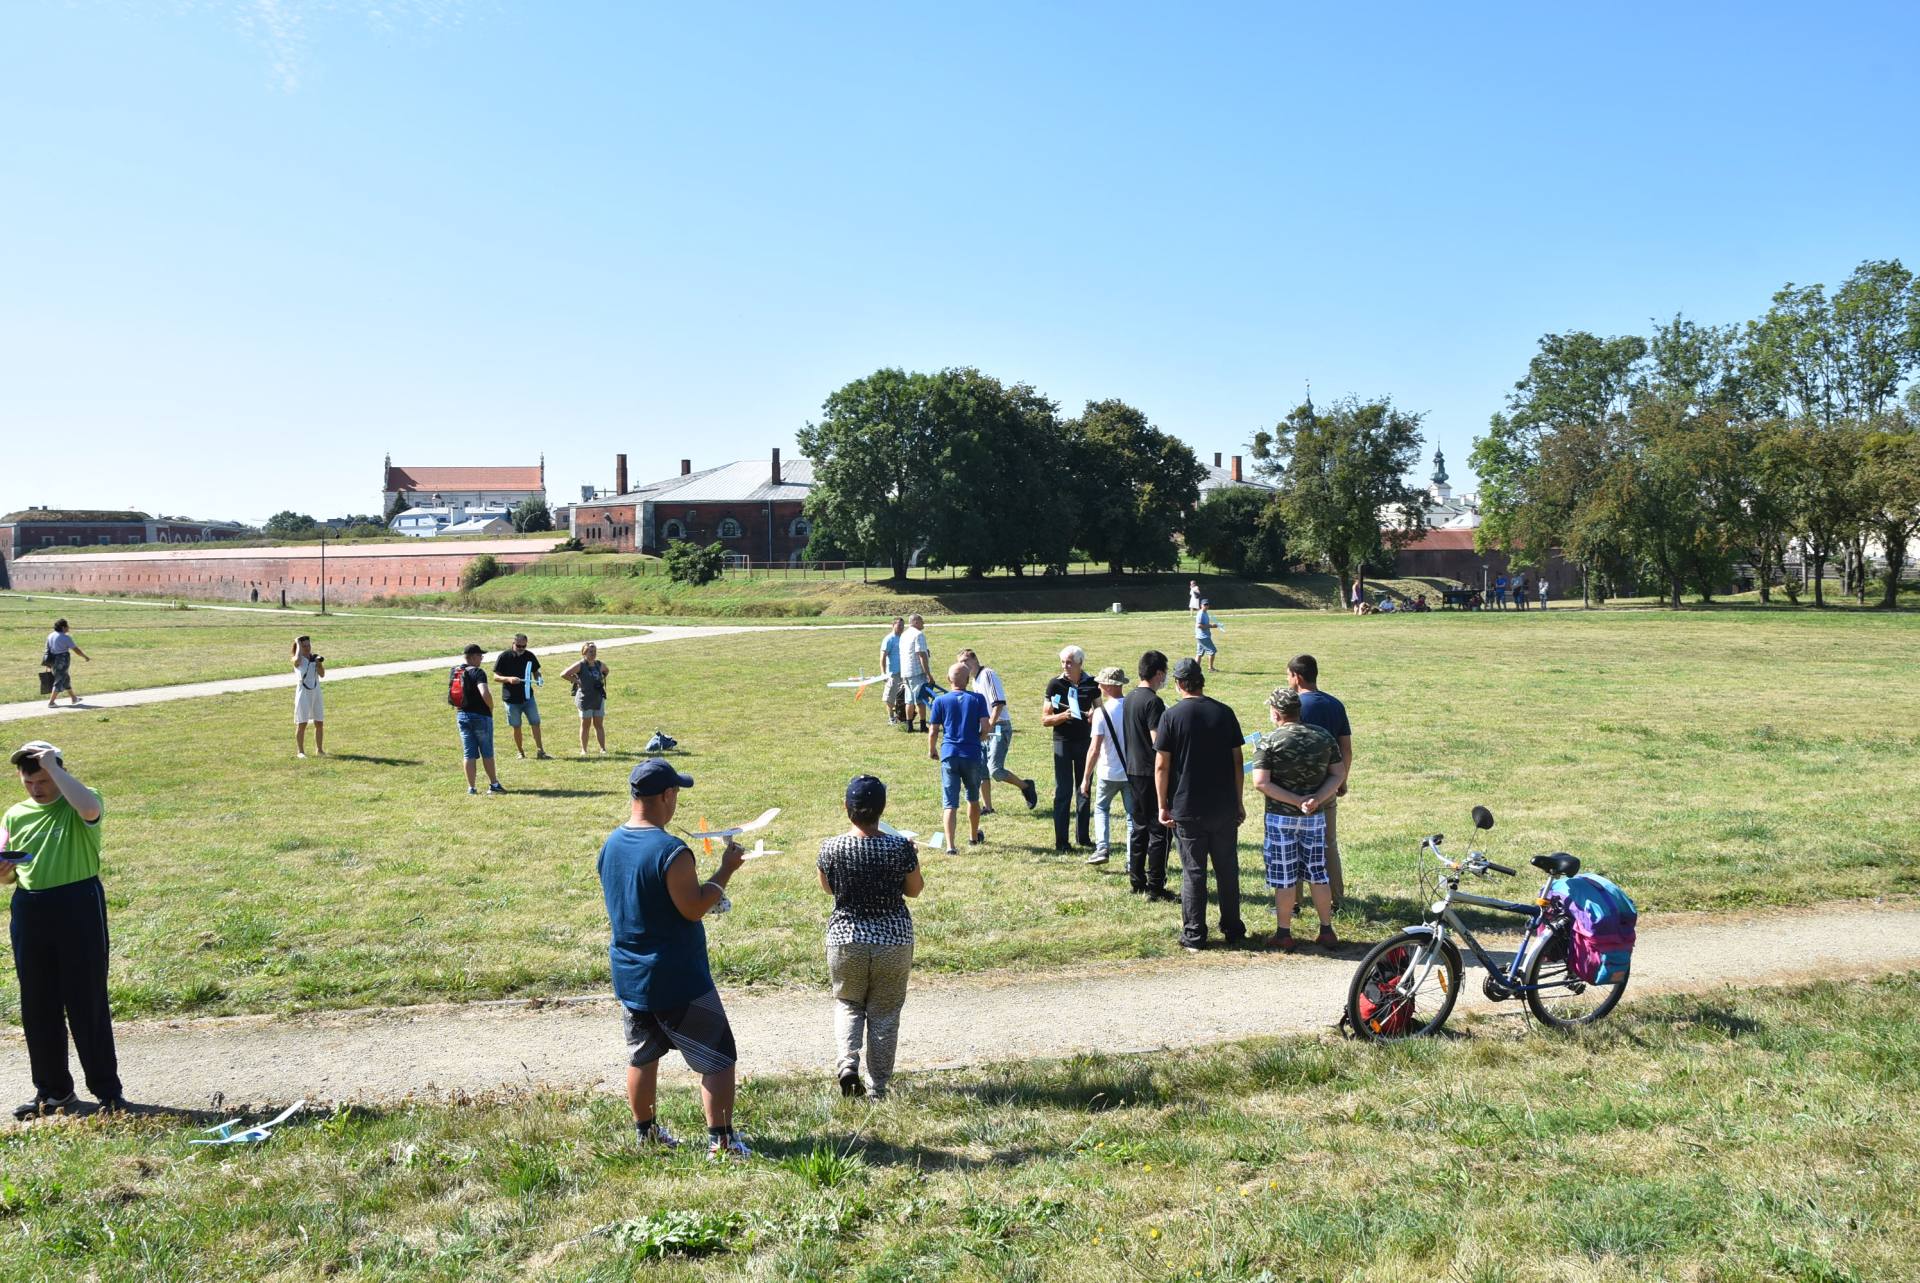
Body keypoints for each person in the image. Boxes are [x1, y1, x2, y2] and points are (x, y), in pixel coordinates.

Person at [598, 758, 752, 1158]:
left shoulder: (611, 844)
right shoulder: (672, 851)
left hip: (631, 975)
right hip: (676, 976)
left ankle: (645, 1134)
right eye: (677, 793)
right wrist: (725, 871)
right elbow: (693, 907)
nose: (677, 801)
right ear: (666, 796)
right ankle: (722, 1142)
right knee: (718, 1057)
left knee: (643, 1057)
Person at [3, 741, 124, 1118]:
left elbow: (89, 809)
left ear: (57, 774)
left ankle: (108, 1093)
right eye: (29, 781)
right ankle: (53, 1092)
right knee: (38, 1004)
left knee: (85, 1001)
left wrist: (53, 766)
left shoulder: (80, 801)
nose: (36, 788)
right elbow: (8, 872)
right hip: (30, 907)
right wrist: (4, 874)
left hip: (78, 903)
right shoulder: (14, 814)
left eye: (42, 779)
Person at [816, 775, 923, 1099]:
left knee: (849, 1004)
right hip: (893, 939)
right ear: (882, 809)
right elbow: (914, 890)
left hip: (846, 939)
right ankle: (877, 1088)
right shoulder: (900, 846)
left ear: (847, 807)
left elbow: (828, 889)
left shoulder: (831, 848)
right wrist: (912, 858)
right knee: (885, 1014)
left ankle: (848, 1064)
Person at [1155, 658, 1247, 951]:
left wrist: (1162, 805)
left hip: (1187, 805)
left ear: (1180, 684)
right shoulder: (1225, 712)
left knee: (1194, 871)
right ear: (1201, 682)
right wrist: (1239, 801)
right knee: (1227, 869)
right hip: (1223, 805)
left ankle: (1194, 934)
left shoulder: (1171, 716)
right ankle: (1233, 928)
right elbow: (1238, 761)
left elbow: (1162, 766)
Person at [1252, 689, 1346, 952]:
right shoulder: (1323, 736)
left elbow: (1261, 782)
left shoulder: (1269, 741)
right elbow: (1338, 774)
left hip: (1281, 819)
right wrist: (1316, 799)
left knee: (1285, 877)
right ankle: (1326, 930)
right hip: (1314, 818)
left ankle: (1284, 933)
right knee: (1318, 873)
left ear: (1276, 712)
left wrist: (1294, 801)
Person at [1286, 654, 1353, 909]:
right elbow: (1345, 748)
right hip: (1328, 786)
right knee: (1328, 843)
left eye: (1288, 675)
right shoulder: (1335, 704)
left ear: (1297, 677)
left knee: (1294, 844)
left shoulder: (1294, 706)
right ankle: (1337, 898)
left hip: (1298, 788)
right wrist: (1341, 779)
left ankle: (1294, 902)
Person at [1122, 651, 1173, 900]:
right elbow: (1157, 741)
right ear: (1159, 674)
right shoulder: (1153, 702)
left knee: (1138, 827)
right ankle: (1155, 885)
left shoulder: (1130, 697)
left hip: (1132, 769)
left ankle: (1136, 879)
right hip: (1150, 771)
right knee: (1158, 830)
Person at [960, 648, 1037, 813]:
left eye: (965, 661)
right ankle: (988, 807)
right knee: (981, 770)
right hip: (985, 728)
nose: (963, 666)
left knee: (995, 770)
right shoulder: (975, 680)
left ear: (975, 660)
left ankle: (1026, 786)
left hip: (999, 726)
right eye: (960, 663)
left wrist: (989, 725)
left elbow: (998, 703)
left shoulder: (988, 674)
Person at [1041, 645, 1100, 852]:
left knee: (1084, 790)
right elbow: (1045, 719)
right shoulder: (1054, 685)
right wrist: (1062, 716)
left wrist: (1095, 714)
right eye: (1063, 662)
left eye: (1069, 663)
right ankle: (1062, 841)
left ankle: (1083, 837)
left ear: (1080, 664)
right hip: (1063, 744)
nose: (1065, 666)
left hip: (1085, 743)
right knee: (1063, 791)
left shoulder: (1091, 684)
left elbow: (1100, 710)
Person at [928, 661, 990, 851]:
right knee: (972, 797)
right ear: (967, 679)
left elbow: (933, 731)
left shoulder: (940, 701)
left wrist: (932, 749)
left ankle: (950, 845)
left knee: (950, 802)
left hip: (949, 753)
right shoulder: (978, 699)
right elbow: (986, 726)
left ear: (948, 679)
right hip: (971, 754)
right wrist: (979, 738)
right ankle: (972, 836)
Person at [1079, 665, 1132, 866]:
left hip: (1108, 771)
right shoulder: (1132, 706)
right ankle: (1131, 859)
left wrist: (1086, 778)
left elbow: (1094, 749)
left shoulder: (1101, 712)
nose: (1099, 686)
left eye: (1101, 683)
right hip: (1130, 772)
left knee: (1101, 808)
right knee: (1131, 817)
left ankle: (1102, 847)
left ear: (1108, 686)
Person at [451, 644, 504, 794]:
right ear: (473, 657)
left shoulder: (455, 671)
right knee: (487, 751)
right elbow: (484, 692)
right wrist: (491, 707)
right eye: (480, 656)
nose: (481, 658)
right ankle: (494, 785)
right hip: (480, 716)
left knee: (469, 753)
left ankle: (472, 788)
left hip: (462, 715)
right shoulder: (478, 672)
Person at [493, 634, 550, 760]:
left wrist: (538, 678)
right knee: (516, 726)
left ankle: (541, 751)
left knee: (535, 723)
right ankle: (520, 752)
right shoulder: (504, 656)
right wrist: (508, 679)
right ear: (513, 643)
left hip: (528, 698)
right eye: (518, 646)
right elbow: (495, 677)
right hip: (511, 699)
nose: (521, 648)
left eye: (523, 646)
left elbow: (536, 671)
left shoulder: (529, 656)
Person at [562, 642, 610, 756]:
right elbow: (564, 674)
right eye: (590, 651)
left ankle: (603, 748)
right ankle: (584, 750)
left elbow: (606, 671)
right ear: (584, 653)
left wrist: (601, 679)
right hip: (584, 699)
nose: (593, 654)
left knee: (599, 724)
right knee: (585, 724)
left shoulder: (599, 664)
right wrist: (577, 681)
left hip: (598, 698)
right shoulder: (580, 665)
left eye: (594, 651)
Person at [292, 635, 326, 758]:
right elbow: (296, 659)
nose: (307, 648)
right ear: (299, 648)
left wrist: (318, 664)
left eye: (308, 645)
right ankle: (300, 752)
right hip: (303, 694)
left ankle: (320, 750)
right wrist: (297, 642)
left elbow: (322, 675)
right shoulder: (298, 660)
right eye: (304, 646)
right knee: (302, 723)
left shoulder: (314, 658)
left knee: (319, 722)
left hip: (316, 692)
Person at [43, 619, 89, 709]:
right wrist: (85, 657)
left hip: (53, 659)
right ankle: (51, 702)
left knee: (65, 678)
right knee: (59, 680)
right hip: (62, 660)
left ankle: (74, 698)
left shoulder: (50, 635)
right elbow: (76, 650)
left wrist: (47, 664)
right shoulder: (65, 637)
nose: (69, 627)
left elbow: (47, 650)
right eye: (67, 626)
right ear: (63, 627)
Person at [899, 614, 933, 734]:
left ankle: (910, 726)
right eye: (921, 621)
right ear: (916, 622)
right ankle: (923, 725)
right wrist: (928, 674)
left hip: (905, 672)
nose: (923, 623)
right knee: (921, 699)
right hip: (917, 671)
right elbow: (921, 655)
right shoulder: (919, 634)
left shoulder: (904, 635)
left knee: (909, 700)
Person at [880, 617, 907, 728]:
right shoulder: (889, 639)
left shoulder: (903, 638)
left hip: (904, 671)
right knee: (890, 696)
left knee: (902, 696)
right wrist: (883, 673)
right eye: (899, 625)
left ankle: (900, 716)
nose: (901, 627)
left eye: (902, 625)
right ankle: (891, 718)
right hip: (892, 672)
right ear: (893, 625)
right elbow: (882, 657)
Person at [1194, 598, 1223, 670]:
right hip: (1203, 636)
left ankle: (1195, 669)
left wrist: (1213, 625)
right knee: (1212, 651)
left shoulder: (1205, 613)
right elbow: (1199, 625)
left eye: (1207, 604)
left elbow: (1205, 624)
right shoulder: (1200, 614)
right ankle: (1211, 668)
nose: (1206, 606)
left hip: (1201, 636)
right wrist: (1211, 626)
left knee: (1199, 653)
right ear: (1201, 605)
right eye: (1205, 605)